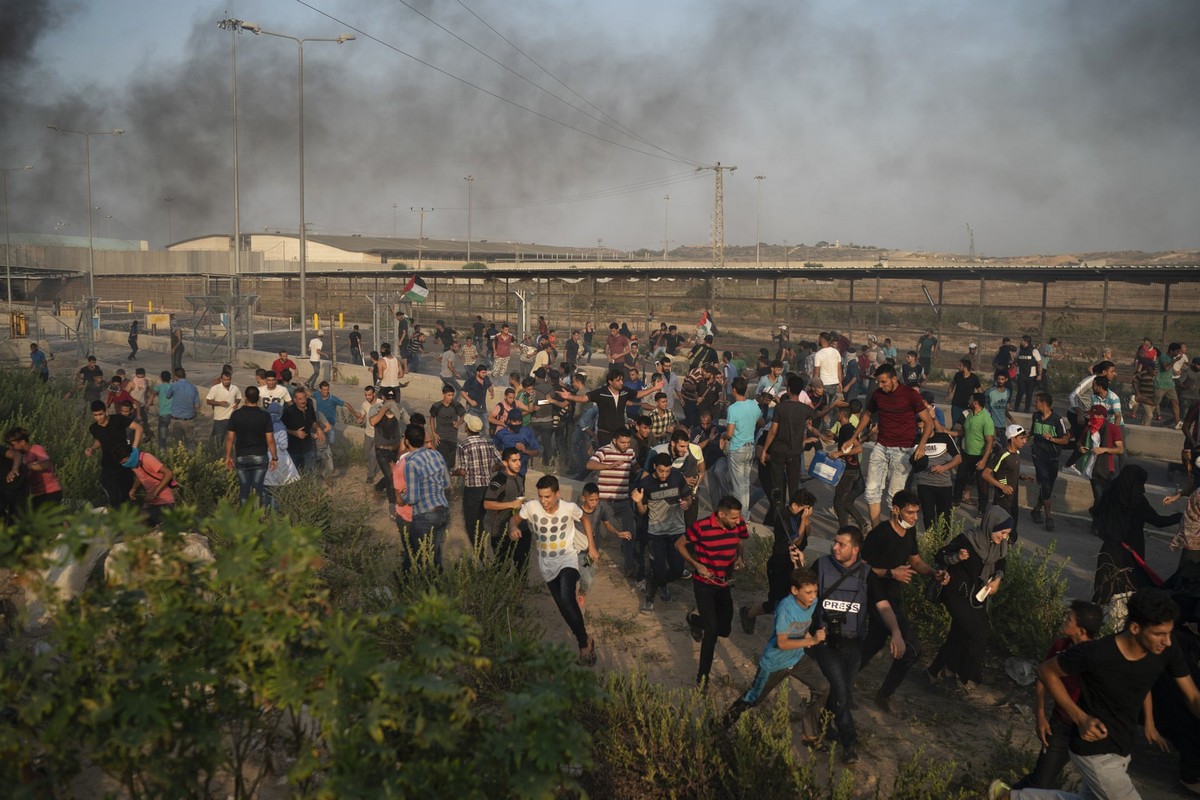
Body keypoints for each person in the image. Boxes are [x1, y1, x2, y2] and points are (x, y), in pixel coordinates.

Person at [988, 589, 1200, 800]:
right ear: (1135, 628)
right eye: (1159, 634)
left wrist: (1151, 722)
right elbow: (1046, 671)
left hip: (1122, 748)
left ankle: (1008, 797)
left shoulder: (1166, 651)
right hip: (1093, 748)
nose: (1168, 641)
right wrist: (1080, 717)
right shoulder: (1097, 652)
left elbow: (1192, 697)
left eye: (1169, 633)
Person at [808, 525, 907, 764]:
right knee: (841, 694)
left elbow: (882, 605)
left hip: (852, 644)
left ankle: (822, 724)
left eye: (841, 544)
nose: (834, 547)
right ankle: (849, 743)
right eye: (834, 541)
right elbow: (804, 594)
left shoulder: (867, 574)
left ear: (855, 549)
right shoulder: (820, 566)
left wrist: (896, 633)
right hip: (825, 643)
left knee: (841, 692)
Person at [859, 490, 948, 713]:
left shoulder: (908, 532)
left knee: (873, 642)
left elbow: (915, 561)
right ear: (896, 510)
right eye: (910, 512)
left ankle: (842, 680)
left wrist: (933, 573)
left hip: (894, 596)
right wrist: (891, 573)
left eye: (916, 513)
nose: (914, 517)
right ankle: (884, 694)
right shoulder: (879, 534)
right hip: (877, 595)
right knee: (912, 649)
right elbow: (859, 568)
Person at [723, 567, 831, 746]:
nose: (813, 597)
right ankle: (720, 726)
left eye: (815, 591)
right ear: (795, 591)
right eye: (808, 592)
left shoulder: (812, 603)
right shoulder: (785, 608)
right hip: (775, 663)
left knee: (823, 687)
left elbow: (801, 627)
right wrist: (810, 640)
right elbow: (781, 643)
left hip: (797, 659)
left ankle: (809, 735)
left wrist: (807, 638)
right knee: (753, 699)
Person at [1008, 600, 1104, 792]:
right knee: (1041, 781)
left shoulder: (1099, 656)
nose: (1064, 620)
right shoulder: (1061, 646)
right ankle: (1004, 796)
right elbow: (1043, 678)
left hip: (1090, 730)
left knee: (1098, 789)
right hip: (1061, 725)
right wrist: (1040, 716)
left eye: (1069, 618)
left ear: (1081, 630)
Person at [510, 475, 597, 665]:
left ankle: (583, 645)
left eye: (548, 496)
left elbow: (585, 519)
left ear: (557, 494)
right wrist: (512, 528)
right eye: (541, 496)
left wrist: (592, 547)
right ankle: (585, 639)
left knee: (567, 597)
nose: (544, 501)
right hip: (546, 565)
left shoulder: (568, 508)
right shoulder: (531, 507)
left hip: (567, 559)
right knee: (563, 607)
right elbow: (514, 520)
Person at [926, 507, 1013, 692]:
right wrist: (957, 557)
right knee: (976, 635)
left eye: (1007, 534)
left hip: (975, 597)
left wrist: (997, 578)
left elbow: (1000, 563)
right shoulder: (969, 540)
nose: (1004, 537)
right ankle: (956, 670)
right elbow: (941, 555)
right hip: (956, 592)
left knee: (958, 635)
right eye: (1002, 532)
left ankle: (936, 672)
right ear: (991, 525)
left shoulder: (999, 545)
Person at [845, 363, 935, 527]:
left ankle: (896, 531)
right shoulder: (878, 395)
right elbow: (867, 415)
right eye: (879, 382)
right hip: (881, 446)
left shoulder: (910, 395)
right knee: (871, 491)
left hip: (903, 450)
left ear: (894, 379)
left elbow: (928, 423)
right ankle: (877, 529)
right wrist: (853, 437)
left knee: (895, 496)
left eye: (884, 382)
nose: (880, 386)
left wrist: (921, 446)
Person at [677, 496, 749, 689]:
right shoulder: (701, 527)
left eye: (738, 517)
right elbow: (679, 544)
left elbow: (740, 541)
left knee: (724, 629)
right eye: (733, 518)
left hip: (724, 584)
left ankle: (694, 619)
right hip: (704, 585)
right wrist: (696, 564)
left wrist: (739, 558)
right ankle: (702, 678)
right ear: (720, 514)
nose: (737, 521)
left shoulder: (738, 523)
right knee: (712, 631)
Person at [1092, 465, 1182, 605]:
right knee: (1130, 587)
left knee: (1105, 587)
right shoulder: (1138, 502)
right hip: (1132, 550)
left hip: (1109, 548)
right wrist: (1180, 516)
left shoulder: (1109, 494)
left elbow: (1096, 512)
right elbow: (1158, 521)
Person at [741, 490, 812, 635]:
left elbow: (806, 534)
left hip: (793, 563)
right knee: (776, 602)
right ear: (795, 505)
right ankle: (749, 614)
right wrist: (804, 521)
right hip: (780, 564)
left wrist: (807, 520)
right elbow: (796, 541)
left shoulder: (799, 516)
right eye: (805, 507)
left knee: (792, 598)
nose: (807, 511)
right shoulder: (785, 518)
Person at [632, 452, 692, 614]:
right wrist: (638, 502)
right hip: (656, 533)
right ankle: (649, 599)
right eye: (660, 471)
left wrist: (687, 503)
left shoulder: (677, 477)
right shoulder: (645, 483)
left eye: (667, 471)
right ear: (654, 468)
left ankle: (662, 583)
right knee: (656, 568)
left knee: (678, 570)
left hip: (677, 532)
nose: (664, 475)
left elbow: (688, 497)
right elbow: (643, 512)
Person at [398, 424, 450, 569]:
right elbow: (446, 483)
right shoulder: (436, 454)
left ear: (406, 441)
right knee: (435, 554)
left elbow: (413, 498)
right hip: (443, 511)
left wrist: (403, 495)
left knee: (417, 554)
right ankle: (436, 585)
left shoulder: (411, 463)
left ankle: (408, 583)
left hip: (425, 515)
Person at [224, 385, 277, 506]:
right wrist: (274, 457)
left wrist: (228, 457)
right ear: (258, 398)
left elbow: (230, 438)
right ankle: (256, 519)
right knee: (257, 490)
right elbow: (270, 439)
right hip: (260, 455)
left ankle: (244, 519)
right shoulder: (265, 416)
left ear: (245, 398)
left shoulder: (236, 415)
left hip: (242, 456)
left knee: (244, 490)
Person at [85, 400, 143, 507]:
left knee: (126, 496)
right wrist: (92, 448)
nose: (98, 418)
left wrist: (134, 450)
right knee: (114, 496)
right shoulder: (93, 428)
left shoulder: (118, 419)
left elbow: (138, 428)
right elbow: (99, 440)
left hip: (124, 464)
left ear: (106, 411)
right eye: (95, 415)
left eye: (100, 414)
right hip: (108, 465)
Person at [454, 414, 499, 550]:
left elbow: (463, 471)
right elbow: (499, 462)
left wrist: (452, 472)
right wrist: (489, 469)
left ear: (467, 428)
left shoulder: (464, 446)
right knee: (480, 518)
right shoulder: (489, 443)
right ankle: (481, 546)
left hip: (472, 488)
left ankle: (478, 553)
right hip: (486, 487)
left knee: (471, 522)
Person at [912, 414, 962, 532]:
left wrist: (944, 468)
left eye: (923, 428)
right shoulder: (915, 440)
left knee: (944, 519)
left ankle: (943, 545)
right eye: (919, 429)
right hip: (924, 484)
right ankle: (931, 544)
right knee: (928, 518)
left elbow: (958, 458)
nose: (921, 431)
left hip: (944, 485)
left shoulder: (944, 438)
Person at [1029, 392, 1070, 532]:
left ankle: (1036, 510)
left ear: (1044, 404)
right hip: (1038, 456)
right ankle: (1049, 517)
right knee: (1045, 484)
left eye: (1037, 402)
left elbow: (1065, 440)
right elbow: (1032, 432)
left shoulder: (1057, 420)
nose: (1035, 404)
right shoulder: (1035, 416)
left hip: (1052, 458)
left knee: (1048, 486)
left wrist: (1052, 439)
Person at [982, 424, 1030, 541]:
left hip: (1013, 500)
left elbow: (1008, 472)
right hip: (1002, 502)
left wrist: (1022, 477)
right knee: (1004, 534)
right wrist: (1002, 486)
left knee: (1012, 535)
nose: (1024, 441)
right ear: (1013, 439)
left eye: (1025, 438)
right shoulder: (1003, 454)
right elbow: (985, 474)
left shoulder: (1016, 454)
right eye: (1021, 438)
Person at [724, 376, 762, 514]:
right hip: (750, 447)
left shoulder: (733, 408)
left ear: (734, 390)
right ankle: (745, 514)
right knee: (745, 484)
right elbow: (761, 422)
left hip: (737, 449)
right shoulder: (753, 405)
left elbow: (729, 433)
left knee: (738, 487)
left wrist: (723, 436)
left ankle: (741, 516)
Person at [4, 427, 62, 509]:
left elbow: (45, 464)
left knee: (49, 518)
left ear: (22, 442)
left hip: (50, 491)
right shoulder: (21, 457)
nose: (11, 448)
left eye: (12, 445)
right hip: (35, 494)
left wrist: (28, 466)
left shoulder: (36, 449)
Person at [122, 445, 176, 525]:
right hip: (150, 503)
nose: (124, 464)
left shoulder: (147, 458)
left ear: (129, 456)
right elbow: (140, 475)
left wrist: (154, 493)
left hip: (164, 502)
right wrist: (134, 488)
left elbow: (168, 473)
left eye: (124, 462)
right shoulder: (133, 463)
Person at [280, 386, 320, 472]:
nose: (303, 401)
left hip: (307, 447)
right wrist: (294, 432)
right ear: (295, 400)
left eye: (304, 398)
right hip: (294, 448)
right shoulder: (289, 412)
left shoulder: (309, 407)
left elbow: (313, 421)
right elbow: (281, 428)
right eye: (300, 399)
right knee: (294, 473)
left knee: (309, 471)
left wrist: (318, 429)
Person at [428, 384, 465, 471]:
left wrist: (459, 423)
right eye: (449, 395)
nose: (451, 397)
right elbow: (432, 419)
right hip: (441, 437)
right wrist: (434, 433)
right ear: (443, 394)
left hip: (452, 438)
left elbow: (464, 415)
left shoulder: (456, 405)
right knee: (440, 460)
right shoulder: (436, 406)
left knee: (450, 463)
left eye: (452, 395)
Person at [206, 371, 242, 449]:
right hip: (219, 418)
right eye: (225, 380)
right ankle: (217, 453)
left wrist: (236, 403)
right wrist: (220, 403)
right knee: (218, 438)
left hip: (231, 418)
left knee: (232, 438)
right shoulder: (215, 388)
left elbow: (239, 397)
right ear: (221, 379)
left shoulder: (234, 388)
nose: (227, 381)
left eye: (228, 379)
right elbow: (208, 401)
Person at [165, 368, 201, 448]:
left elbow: (167, 396)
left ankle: (180, 458)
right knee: (190, 442)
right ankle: (192, 458)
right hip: (189, 419)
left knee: (178, 443)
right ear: (185, 375)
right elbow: (197, 405)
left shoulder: (174, 386)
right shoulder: (193, 387)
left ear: (175, 376)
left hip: (176, 419)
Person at [947, 359, 981, 427]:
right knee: (955, 424)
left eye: (960, 365)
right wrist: (949, 394)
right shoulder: (958, 375)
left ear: (965, 367)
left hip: (968, 406)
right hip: (956, 404)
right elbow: (952, 384)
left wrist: (977, 401)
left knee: (967, 424)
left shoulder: (974, 378)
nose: (958, 367)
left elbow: (979, 390)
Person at [1013, 335, 1042, 413]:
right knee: (1020, 392)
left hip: (1031, 376)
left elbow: (1039, 363)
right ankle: (1016, 408)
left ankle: (1026, 409)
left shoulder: (1034, 351)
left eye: (1022, 340)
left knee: (1029, 393)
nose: (1021, 342)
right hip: (1021, 375)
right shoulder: (1019, 350)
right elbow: (1015, 360)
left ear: (1026, 342)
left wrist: (1039, 374)